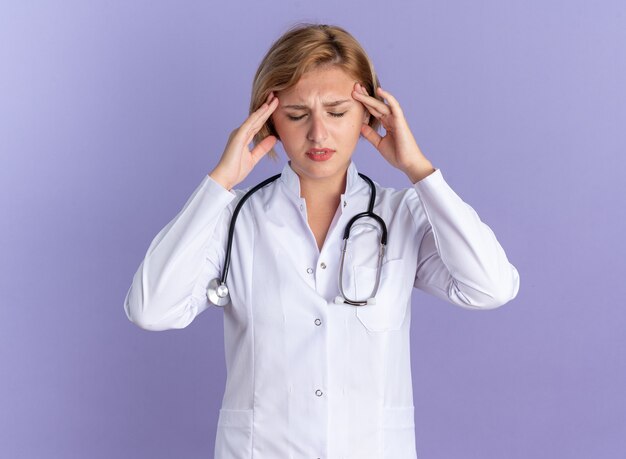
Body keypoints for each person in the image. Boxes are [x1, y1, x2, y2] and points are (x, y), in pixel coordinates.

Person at [124, 23, 520, 459]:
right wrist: (220, 183)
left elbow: (491, 287)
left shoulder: (400, 216)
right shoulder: (233, 219)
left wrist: (419, 170)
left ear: (369, 114)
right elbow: (151, 309)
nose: (318, 134)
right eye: (296, 114)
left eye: (336, 112)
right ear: (267, 117)